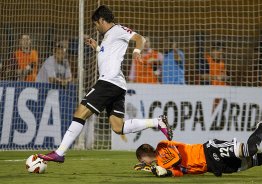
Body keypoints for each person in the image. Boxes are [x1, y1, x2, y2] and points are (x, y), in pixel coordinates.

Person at [38, 5, 172, 162]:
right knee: (118, 127)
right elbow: (109, 57)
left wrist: (136, 52)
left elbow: (139, 38)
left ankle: (59, 153)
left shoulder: (118, 29)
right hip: (117, 84)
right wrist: (97, 48)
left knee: (80, 112)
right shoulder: (108, 37)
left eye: (96, 23)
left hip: (109, 82)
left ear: (102, 20)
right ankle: (157, 122)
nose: (96, 27)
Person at [135, 113, 262, 177]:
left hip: (210, 151)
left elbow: (176, 159)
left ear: (145, 153)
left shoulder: (162, 146)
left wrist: (157, 168)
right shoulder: (161, 164)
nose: (143, 162)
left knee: (251, 150)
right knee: (259, 160)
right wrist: (167, 173)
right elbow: (179, 172)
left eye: (142, 160)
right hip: (213, 167)